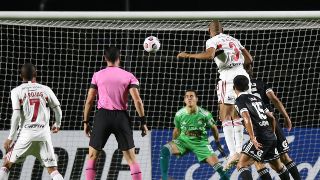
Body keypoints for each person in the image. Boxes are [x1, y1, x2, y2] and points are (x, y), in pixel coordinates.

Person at [177, 20, 253, 169]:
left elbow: (210, 55)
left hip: (228, 77)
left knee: (225, 116)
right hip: (244, 76)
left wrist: (188, 55)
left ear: (208, 30)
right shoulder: (233, 39)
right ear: (223, 29)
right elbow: (249, 60)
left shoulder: (212, 40)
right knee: (238, 115)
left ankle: (233, 154)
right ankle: (239, 151)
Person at [83, 46, 149, 180]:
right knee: (131, 158)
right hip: (121, 117)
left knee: (92, 157)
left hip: (103, 116)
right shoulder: (129, 76)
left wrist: (85, 122)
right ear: (119, 58)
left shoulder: (97, 75)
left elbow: (89, 101)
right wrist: (143, 122)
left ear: (105, 58)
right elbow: (137, 101)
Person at [0, 63, 64, 180]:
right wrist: (57, 124)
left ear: (21, 76)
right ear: (36, 74)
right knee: (53, 171)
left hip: (25, 136)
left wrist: (10, 137)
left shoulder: (16, 91)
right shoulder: (45, 89)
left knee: (6, 164)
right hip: (43, 136)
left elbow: (16, 114)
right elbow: (57, 109)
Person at [245, 64, 301, 179]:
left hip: (258, 126)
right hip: (272, 121)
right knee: (284, 157)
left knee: (258, 162)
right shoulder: (261, 84)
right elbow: (275, 99)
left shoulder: (240, 89)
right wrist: (286, 117)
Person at [160, 89, 229, 180]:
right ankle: (164, 178)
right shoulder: (179, 114)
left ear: (196, 99)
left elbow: (214, 128)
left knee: (219, 168)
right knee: (165, 149)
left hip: (201, 142)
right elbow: (176, 130)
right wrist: (174, 142)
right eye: (187, 97)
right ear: (184, 100)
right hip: (184, 140)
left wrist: (217, 142)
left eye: (191, 96)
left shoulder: (205, 114)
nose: (189, 98)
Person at [233, 75, 291, 180]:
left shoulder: (239, 101)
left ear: (234, 87)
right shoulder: (256, 98)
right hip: (270, 136)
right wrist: (272, 133)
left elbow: (247, 118)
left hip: (259, 137)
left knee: (242, 165)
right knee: (277, 167)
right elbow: (271, 117)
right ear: (247, 87)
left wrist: (253, 138)